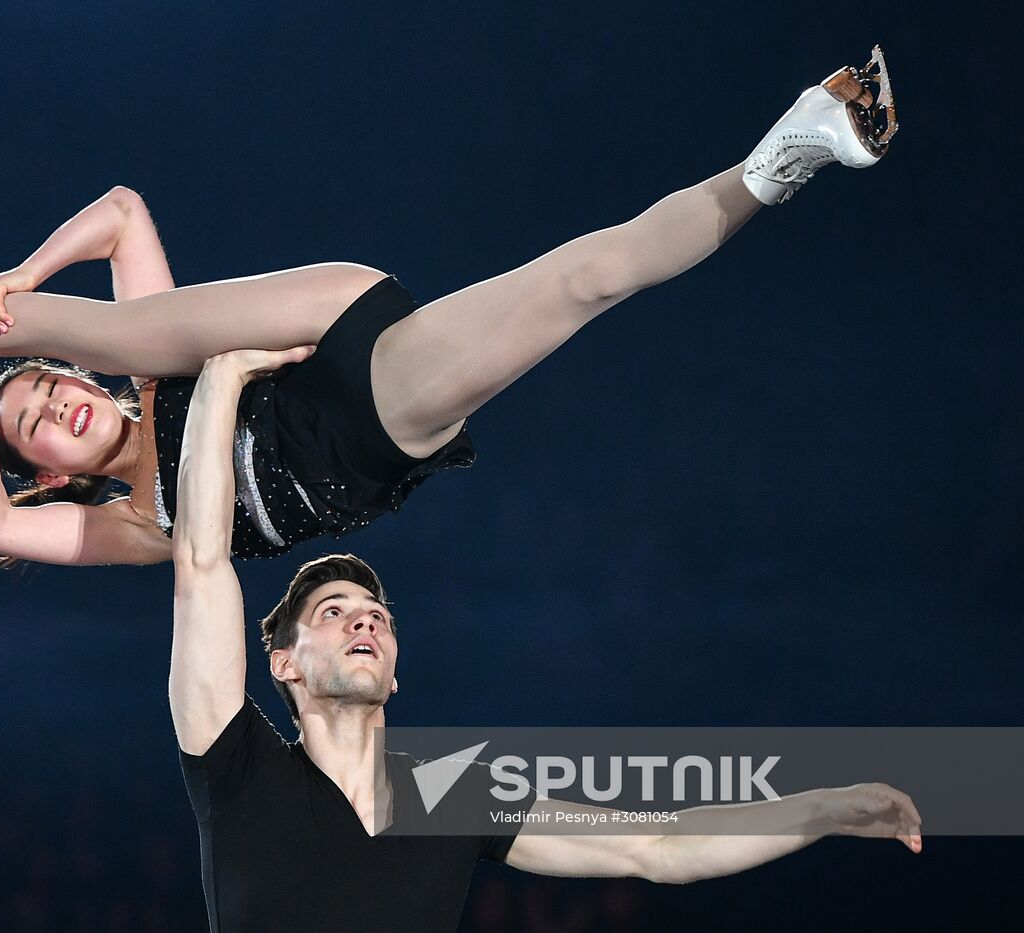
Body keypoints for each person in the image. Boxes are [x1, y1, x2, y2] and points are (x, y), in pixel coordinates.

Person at [0, 51, 898, 566]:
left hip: (311, 325)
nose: (55, 406)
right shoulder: (120, 524)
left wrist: (17, 282)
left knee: (99, 327)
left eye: (47, 392)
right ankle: (789, 150)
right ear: (49, 467)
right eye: (30, 427)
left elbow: (120, 211)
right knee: (581, 280)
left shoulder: (132, 369)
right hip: (355, 426)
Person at [167, 346, 922, 932]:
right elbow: (202, 563)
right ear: (284, 664)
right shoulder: (236, 767)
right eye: (334, 611)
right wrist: (225, 373)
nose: (366, 619)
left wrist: (821, 811)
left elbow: (656, 848)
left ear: (395, 673)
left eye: (379, 614)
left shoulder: (451, 794)